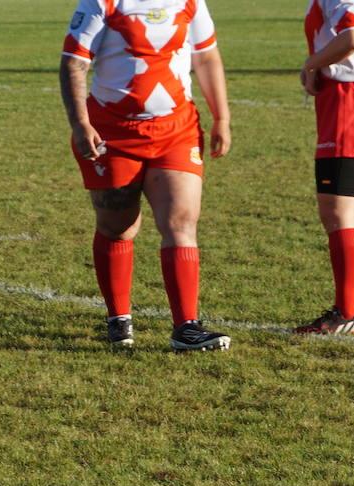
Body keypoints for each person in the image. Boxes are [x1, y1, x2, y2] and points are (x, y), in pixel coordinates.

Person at [59, 0, 232, 351]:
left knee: (181, 222)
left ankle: (186, 327)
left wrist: (222, 117)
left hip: (177, 129)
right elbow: (74, 63)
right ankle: (118, 318)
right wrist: (80, 124)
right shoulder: (103, 2)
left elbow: (206, 55)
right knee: (117, 226)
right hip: (112, 132)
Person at [294, 0, 354, 334]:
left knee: (338, 214)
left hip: (349, 103)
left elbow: (352, 36)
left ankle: (347, 312)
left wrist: (311, 63)